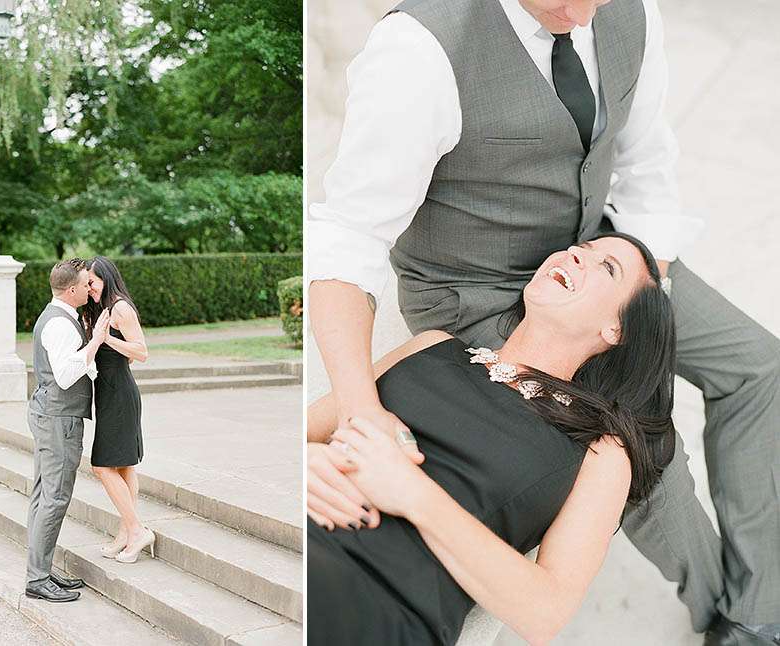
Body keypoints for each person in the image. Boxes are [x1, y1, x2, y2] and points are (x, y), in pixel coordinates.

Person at [307, 0, 780, 642]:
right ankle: (728, 615)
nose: (583, 14)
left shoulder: (627, 15)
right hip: (472, 290)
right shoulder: (419, 50)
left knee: (759, 364)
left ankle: (762, 596)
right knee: (647, 456)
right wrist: (364, 417)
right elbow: (350, 234)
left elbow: (643, 161)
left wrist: (638, 297)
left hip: (595, 250)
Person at [308, 234, 676, 645]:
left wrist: (412, 493)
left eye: (608, 267)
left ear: (617, 328)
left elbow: (545, 614)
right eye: (582, 248)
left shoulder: (600, 450)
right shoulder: (433, 345)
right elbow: (300, 434)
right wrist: (306, 459)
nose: (576, 254)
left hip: (379, 606)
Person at [26, 258, 109, 602]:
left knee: (43, 494)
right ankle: (37, 578)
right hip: (58, 419)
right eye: (86, 283)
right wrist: (96, 341)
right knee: (55, 496)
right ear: (71, 289)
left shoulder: (60, 316)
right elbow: (64, 375)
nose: (90, 288)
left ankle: (40, 567)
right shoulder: (59, 324)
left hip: (51, 414)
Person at [81, 256, 155, 563]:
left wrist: (106, 338)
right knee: (124, 467)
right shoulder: (98, 310)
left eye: (92, 283)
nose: (89, 289)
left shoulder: (121, 308)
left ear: (106, 279)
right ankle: (126, 533)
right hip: (108, 394)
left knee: (102, 466)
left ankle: (137, 531)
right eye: (86, 284)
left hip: (121, 393)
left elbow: (142, 352)